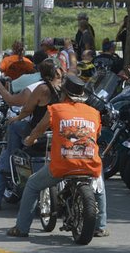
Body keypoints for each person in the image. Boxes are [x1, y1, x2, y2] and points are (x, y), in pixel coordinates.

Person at [8, 74, 109, 238]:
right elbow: (95, 134)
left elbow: (39, 129)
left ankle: (21, 228)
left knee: (33, 184)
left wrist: (29, 140)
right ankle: (101, 226)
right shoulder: (94, 112)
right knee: (99, 186)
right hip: (90, 163)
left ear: (64, 94)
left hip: (63, 165)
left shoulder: (55, 109)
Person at [0, 59, 61, 210]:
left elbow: (24, 108)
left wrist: (17, 117)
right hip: (57, 132)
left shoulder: (40, 89)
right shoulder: (63, 88)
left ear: (39, 73)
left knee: (8, 148)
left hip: (38, 132)